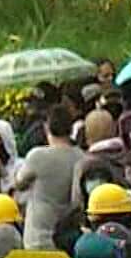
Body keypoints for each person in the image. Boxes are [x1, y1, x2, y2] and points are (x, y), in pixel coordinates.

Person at [14, 104, 84, 250]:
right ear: (71, 129)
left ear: (47, 127)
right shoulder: (81, 157)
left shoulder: (38, 156)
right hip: (68, 237)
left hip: (38, 236)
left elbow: (19, 183)